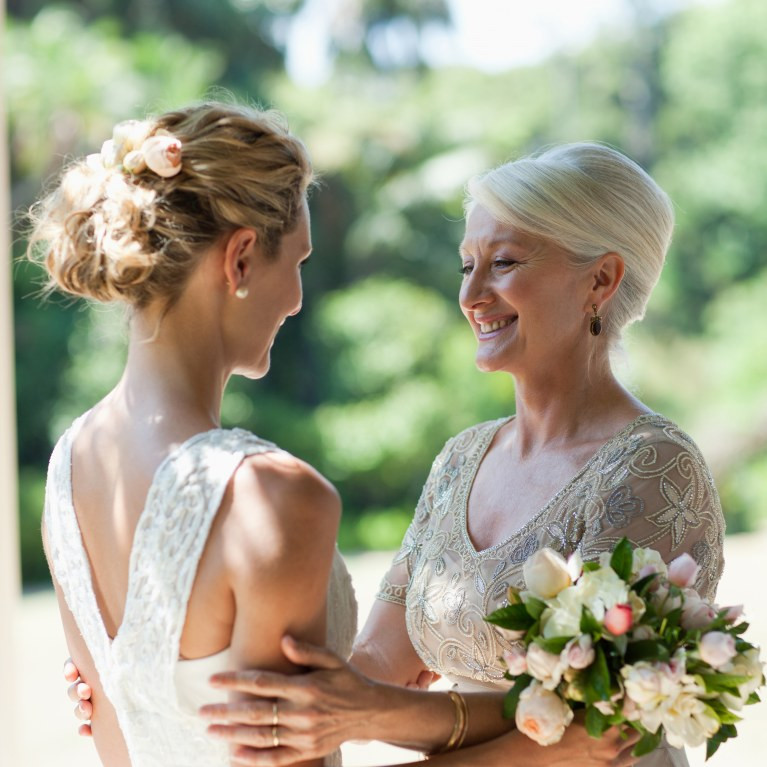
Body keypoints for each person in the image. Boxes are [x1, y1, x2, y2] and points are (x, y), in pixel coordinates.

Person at [187, 143, 726, 767]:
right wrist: (185, 668)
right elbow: (374, 668)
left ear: (601, 280)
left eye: (503, 262)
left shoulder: (653, 469)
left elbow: (587, 731)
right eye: (466, 265)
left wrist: (369, 712)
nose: (472, 294)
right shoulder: (459, 460)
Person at [32, 102, 358, 767]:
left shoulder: (69, 468)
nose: (296, 298)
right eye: (295, 262)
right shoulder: (269, 498)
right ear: (239, 258)